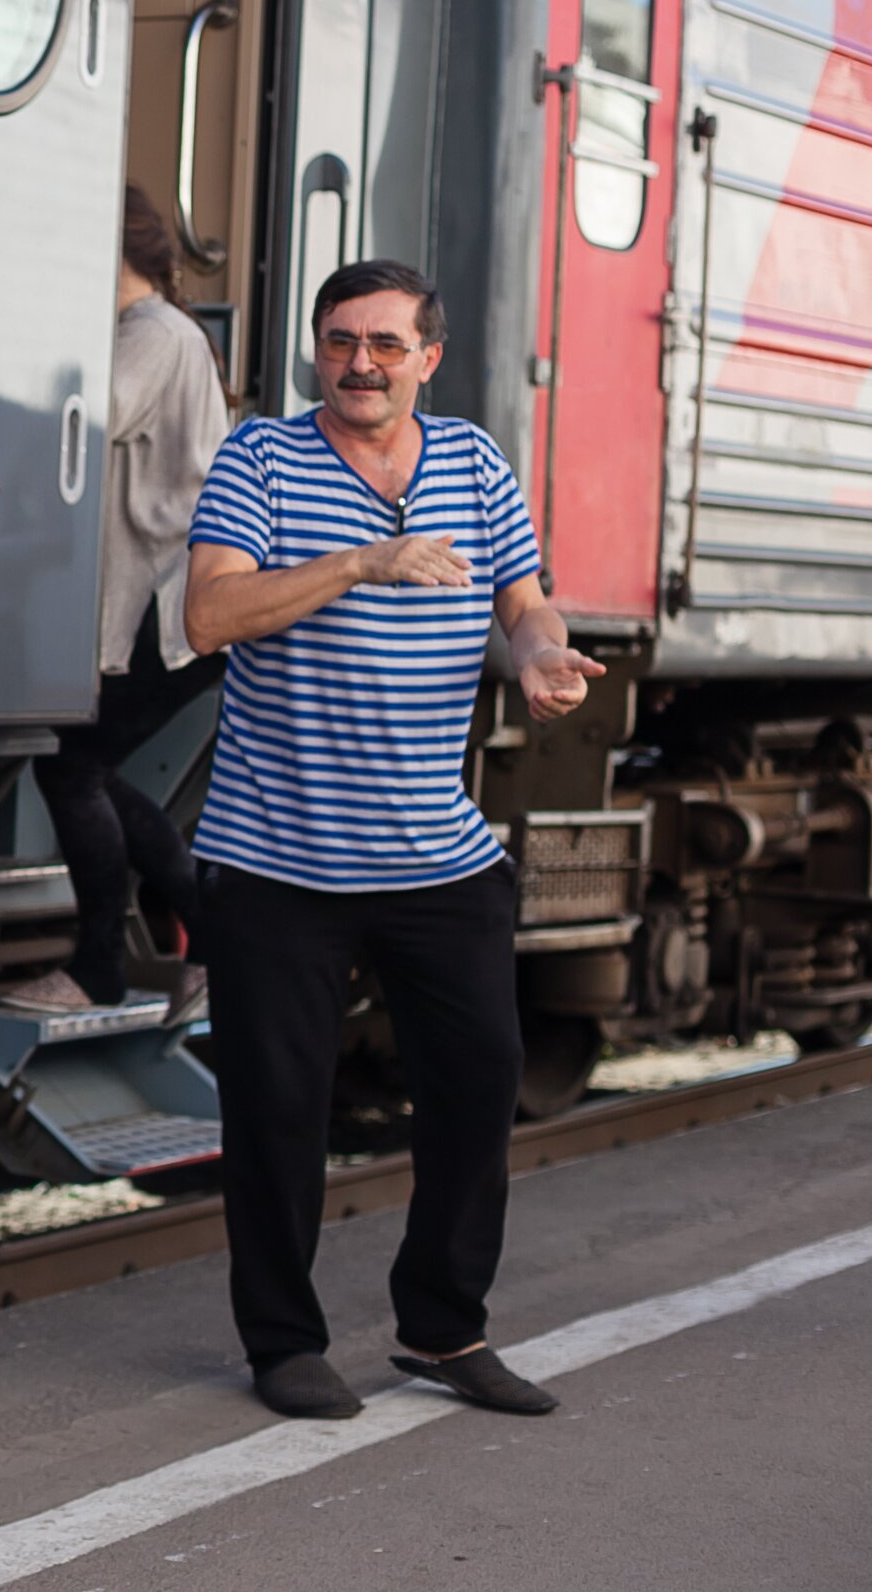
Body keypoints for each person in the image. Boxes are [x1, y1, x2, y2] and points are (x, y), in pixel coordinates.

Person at [182, 259, 601, 1423]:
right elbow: (210, 613)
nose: (358, 361)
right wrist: (364, 560)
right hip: (277, 858)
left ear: (430, 356)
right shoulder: (261, 458)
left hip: (438, 856)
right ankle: (283, 1341)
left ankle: (444, 1325)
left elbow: (522, 597)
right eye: (338, 340)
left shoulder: (472, 462)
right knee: (278, 1109)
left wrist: (540, 657)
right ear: (316, 349)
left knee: (480, 1082)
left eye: (383, 343)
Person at [4, 184, 231, 1020]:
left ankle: (107, 964)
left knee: (72, 766)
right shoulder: (161, 331)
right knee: (80, 767)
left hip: (163, 604)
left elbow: (82, 419)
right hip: (157, 600)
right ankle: (201, 941)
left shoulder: (153, 334)